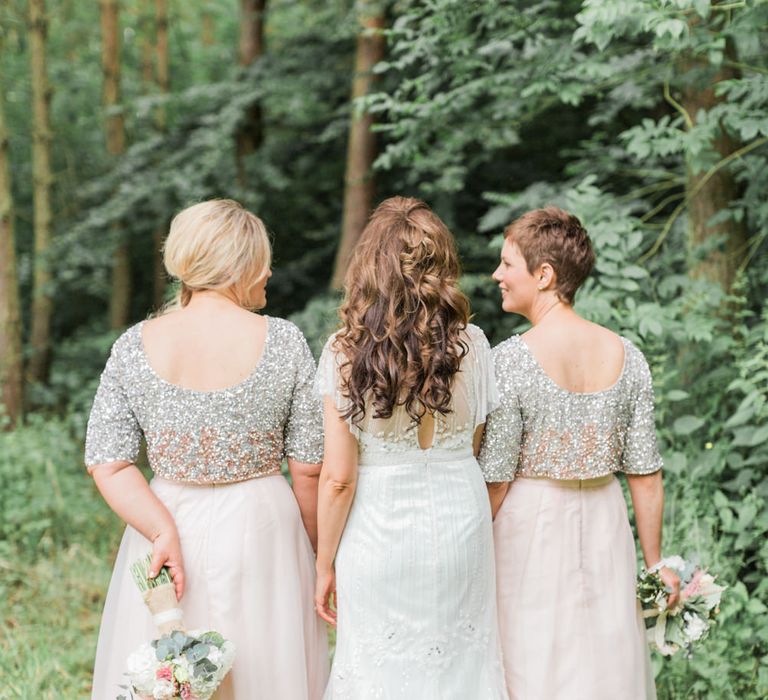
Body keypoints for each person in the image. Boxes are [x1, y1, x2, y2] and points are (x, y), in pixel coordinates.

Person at [85, 199, 329, 699]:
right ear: (238, 266)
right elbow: (307, 469)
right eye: (262, 260)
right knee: (267, 667)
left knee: (168, 671)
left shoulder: (135, 343)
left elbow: (109, 463)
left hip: (167, 524)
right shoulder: (284, 341)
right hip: (264, 530)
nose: (269, 273)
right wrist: (319, 552)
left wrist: (161, 529)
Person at [478, 206, 680, 700]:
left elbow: (497, 480)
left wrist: (472, 549)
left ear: (543, 275)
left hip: (531, 527)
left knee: (536, 654)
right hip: (607, 519)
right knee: (606, 652)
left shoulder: (511, 359)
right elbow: (646, 475)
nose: (497, 275)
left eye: (507, 264)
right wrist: (654, 565)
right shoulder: (627, 354)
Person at [314, 196, 508, 700]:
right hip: (461, 522)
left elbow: (338, 478)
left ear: (369, 268)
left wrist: (323, 563)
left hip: (379, 529)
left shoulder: (344, 350)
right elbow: (474, 443)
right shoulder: (477, 346)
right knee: (461, 663)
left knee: (379, 668)